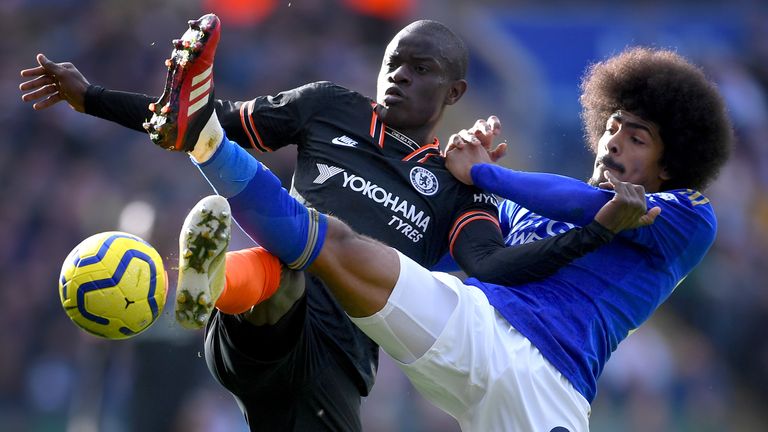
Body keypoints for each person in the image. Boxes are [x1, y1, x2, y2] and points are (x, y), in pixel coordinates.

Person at [19, 14, 623, 431]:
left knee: (287, 249)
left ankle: (202, 280)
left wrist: (594, 231)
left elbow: (492, 266)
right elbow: (208, 119)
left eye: (420, 68)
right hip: (265, 319)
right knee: (292, 264)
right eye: (393, 63)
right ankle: (205, 286)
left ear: (455, 89)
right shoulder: (331, 106)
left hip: (337, 358)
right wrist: (92, 96)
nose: (399, 76)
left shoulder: (457, 190)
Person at [167, 46, 732, 431]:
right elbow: (478, 251)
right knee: (337, 248)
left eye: (637, 139)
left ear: (669, 163)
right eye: (611, 127)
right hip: (476, 327)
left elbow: (586, 204)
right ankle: (210, 150)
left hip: (549, 392)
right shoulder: (521, 205)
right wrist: (468, 178)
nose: (614, 144)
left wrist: (484, 175)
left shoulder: (686, 218)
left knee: (335, 253)